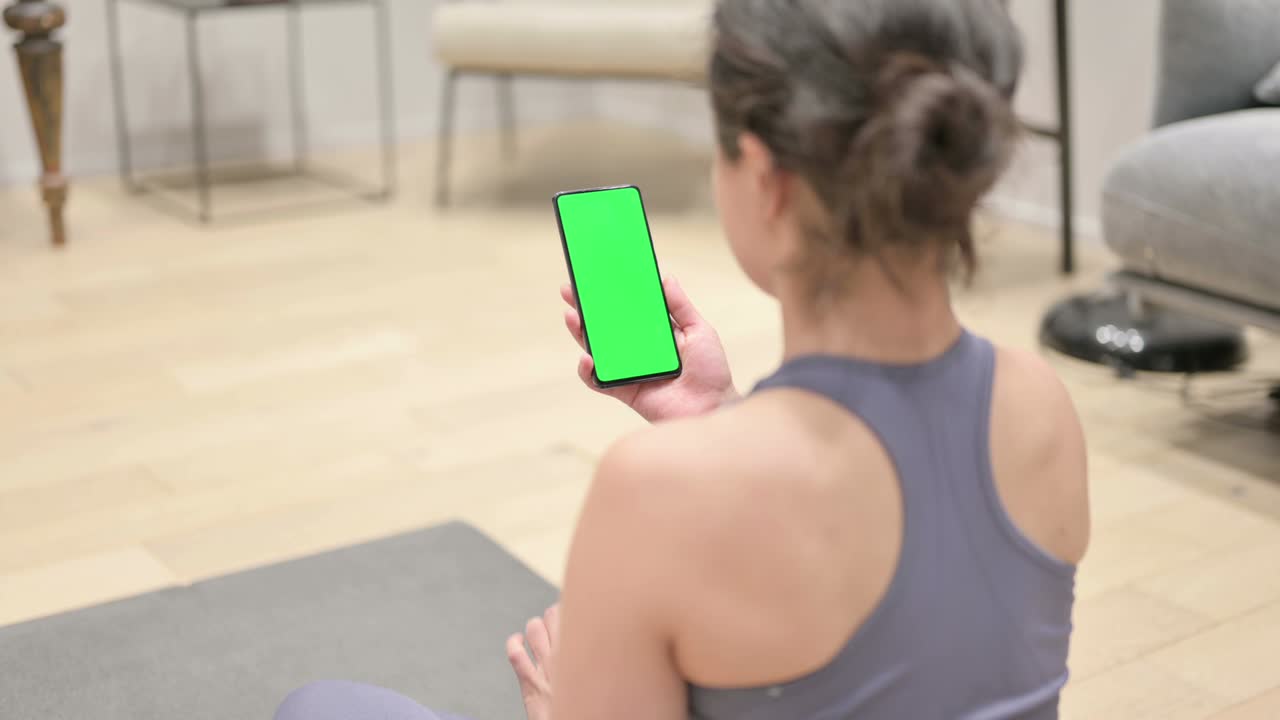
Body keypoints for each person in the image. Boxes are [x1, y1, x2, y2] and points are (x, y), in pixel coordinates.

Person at [274, 0, 1089, 717]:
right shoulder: (1040, 405)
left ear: (764, 177)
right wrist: (725, 413)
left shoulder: (657, 494)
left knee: (322, 708)